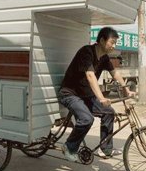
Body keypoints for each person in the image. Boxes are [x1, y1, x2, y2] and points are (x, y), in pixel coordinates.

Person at [58, 27, 135, 162]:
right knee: (87, 119)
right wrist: (101, 98)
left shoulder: (104, 58)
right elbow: (90, 75)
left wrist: (126, 88)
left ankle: (105, 149)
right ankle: (69, 147)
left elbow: (114, 73)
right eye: (112, 42)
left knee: (109, 112)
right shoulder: (86, 52)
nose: (114, 45)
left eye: (115, 42)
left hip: (84, 96)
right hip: (70, 94)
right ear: (102, 40)